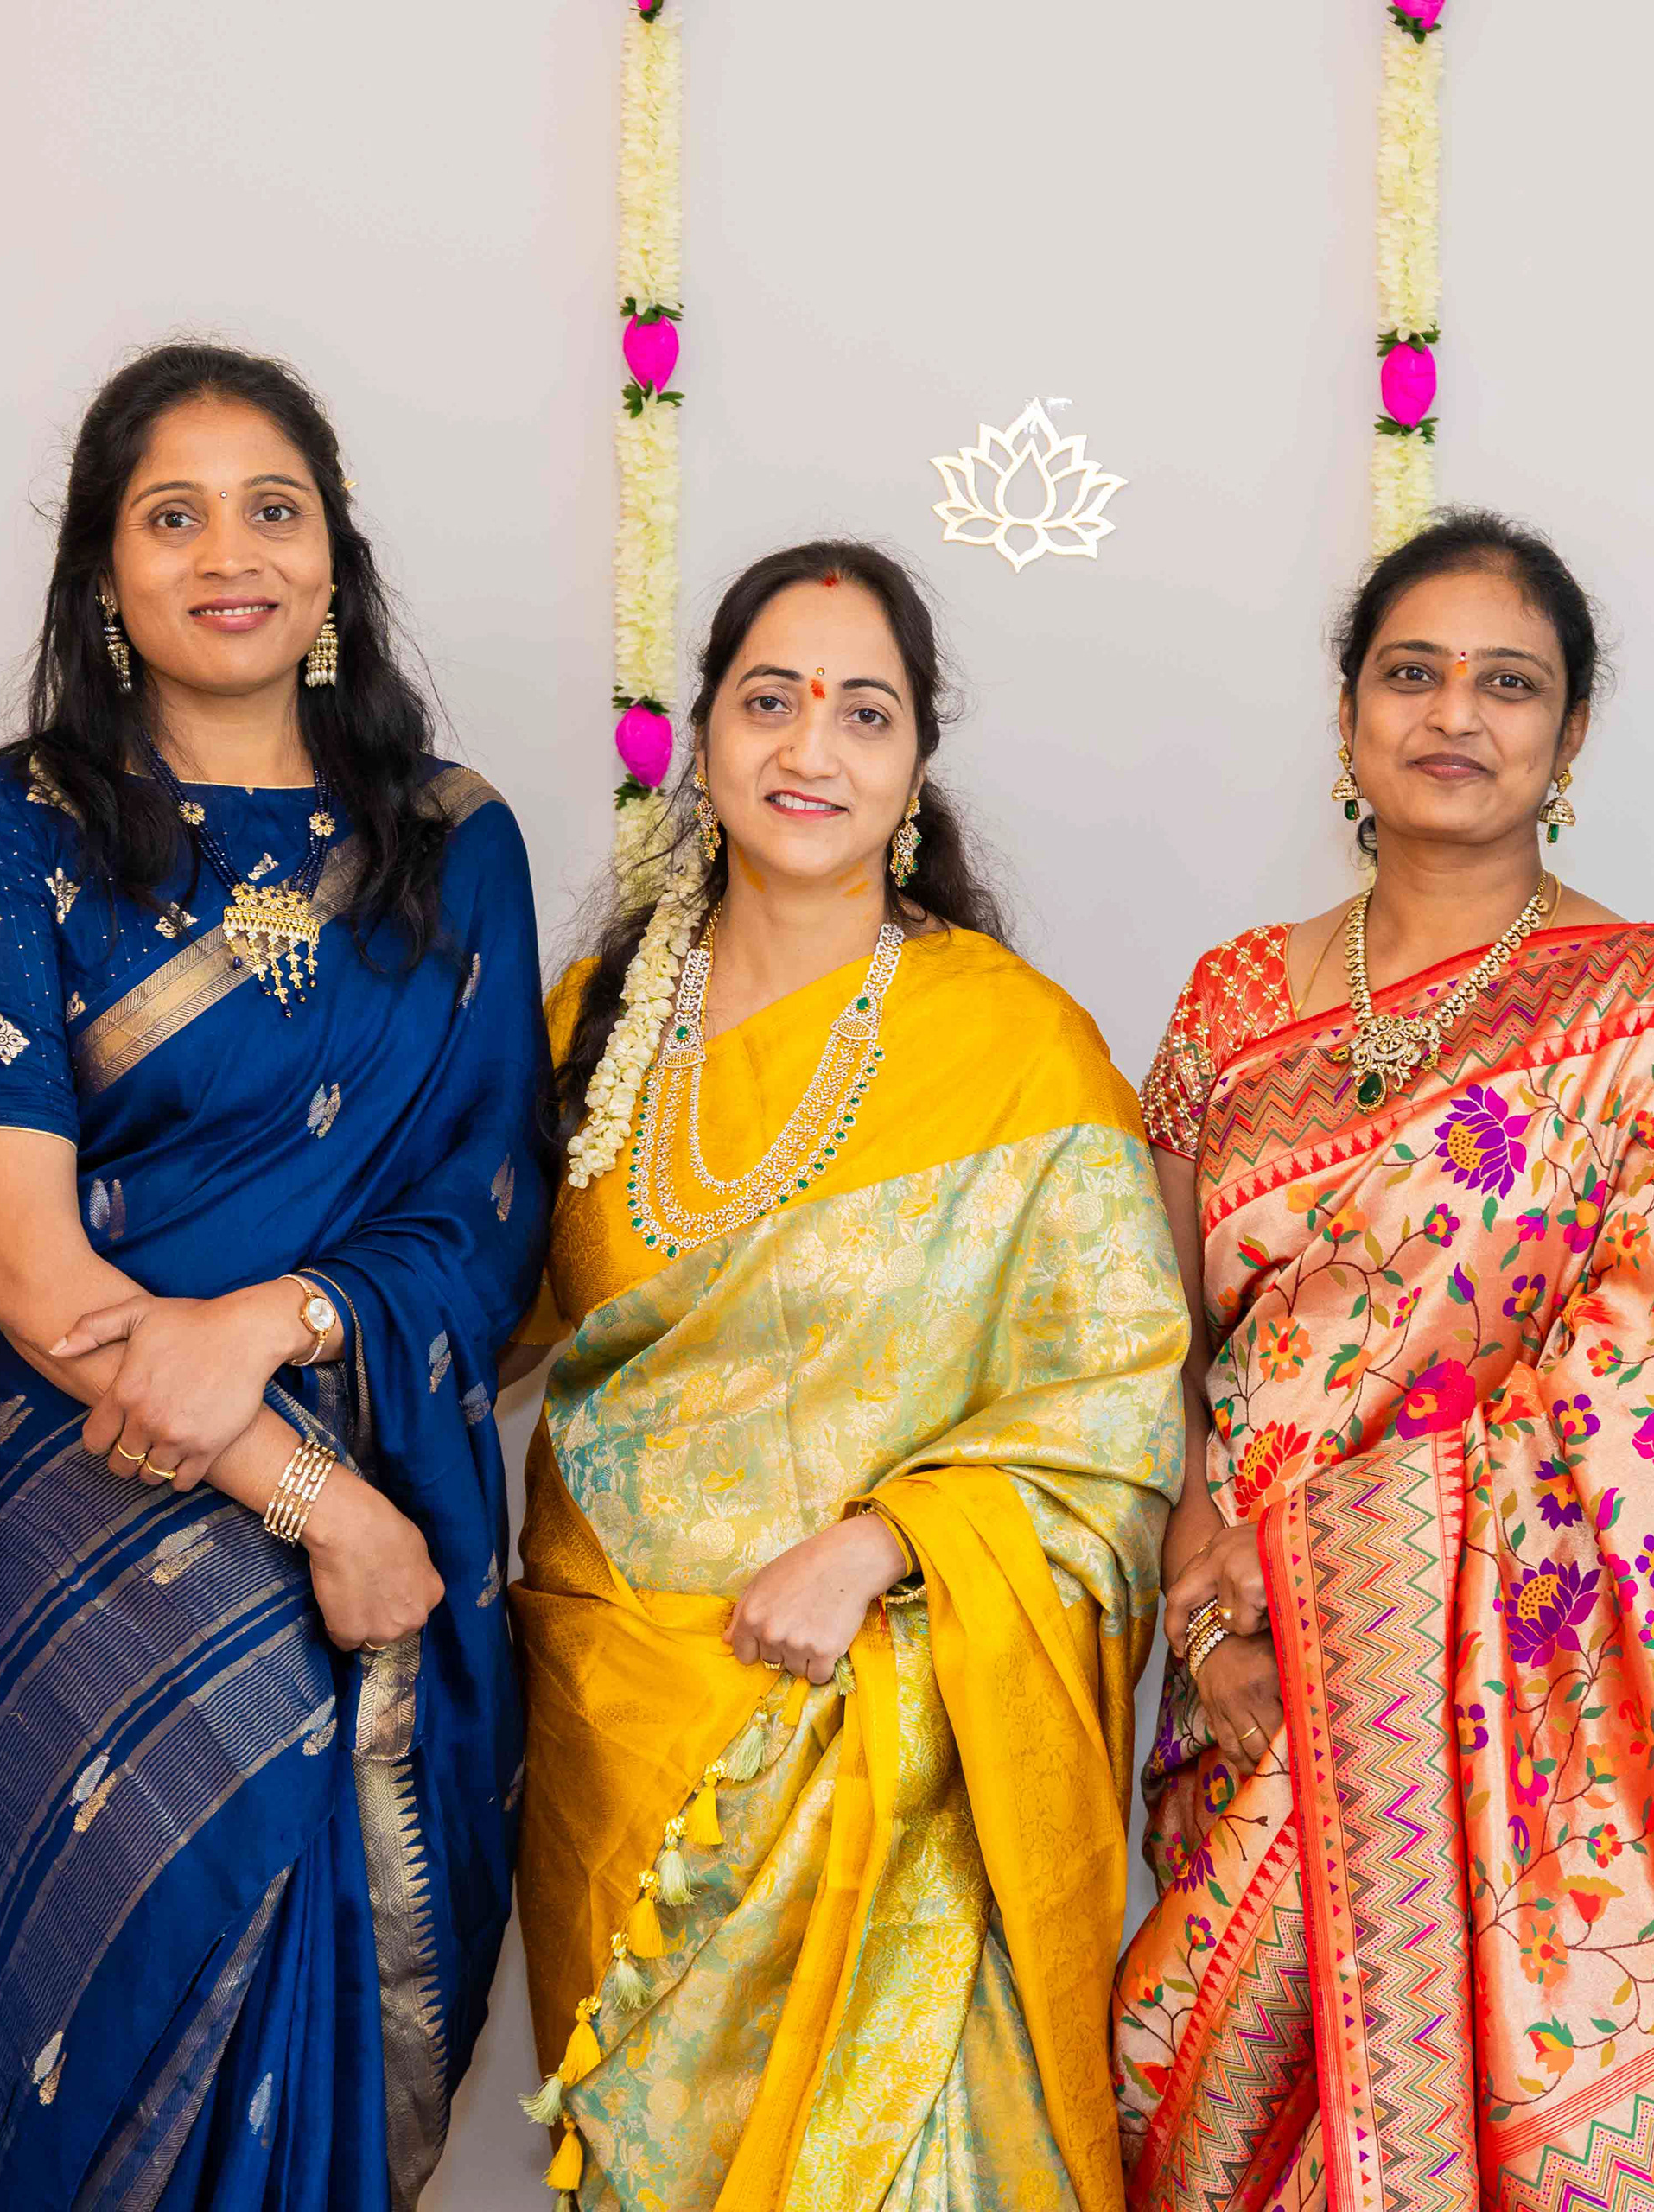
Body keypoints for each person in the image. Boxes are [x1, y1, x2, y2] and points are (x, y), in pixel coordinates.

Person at [1114, 513, 1654, 2211]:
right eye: (1413, 673)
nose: (1455, 713)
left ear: (1569, 736)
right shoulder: (1232, 1005)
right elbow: (1155, 1354)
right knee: (1176, 2080)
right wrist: (1208, 1601)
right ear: (1347, 713)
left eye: (1509, 684)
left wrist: (1322, 1579)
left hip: (1509, 1738)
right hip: (1233, 1686)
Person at [0, 343, 547, 2211]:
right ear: (103, 575)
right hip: (84, 1520)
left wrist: (276, 1323)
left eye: (272, 509)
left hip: (375, 1483)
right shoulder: (8, 832)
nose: (227, 554)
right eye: (169, 516)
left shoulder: (453, 841)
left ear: (333, 556)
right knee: (97, 2028)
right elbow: (24, 1260)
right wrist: (314, 1495)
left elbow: (494, 1208)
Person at [508, 539, 1184, 2209]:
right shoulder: (591, 1019)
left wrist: (884, 1545)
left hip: (888, 1736)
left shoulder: (1014, 1047)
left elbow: (1113, 1405)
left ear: (917, 762)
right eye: (771, 701)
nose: (811, 748)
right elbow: (475, 1311)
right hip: (617, 1722)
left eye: (864, 712)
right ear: (704, 735)